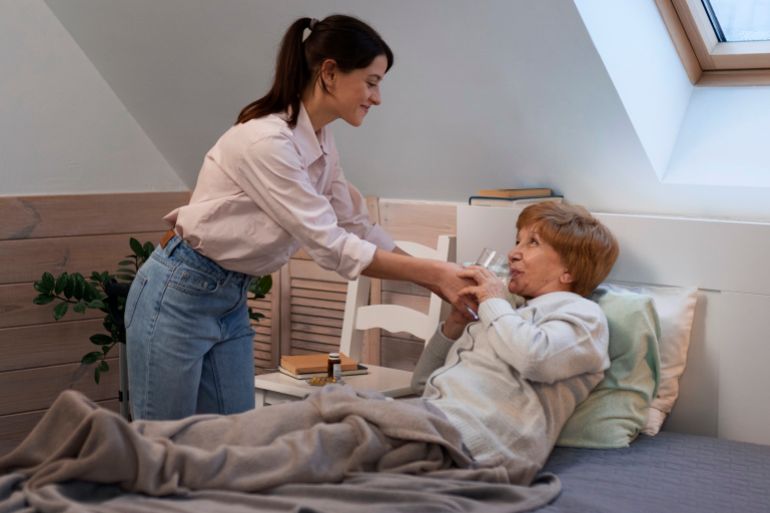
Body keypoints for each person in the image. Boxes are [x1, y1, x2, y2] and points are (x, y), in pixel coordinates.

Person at [125, 15, 471, 421]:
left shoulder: (321, 139)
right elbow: (330, 244)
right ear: (330, 73)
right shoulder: (266, 141)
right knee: (160, 445)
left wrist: (439, 279)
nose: (377, 98)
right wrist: (436, 274)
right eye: (371, 82)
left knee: (234, 441)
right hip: (179, 291)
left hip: (230, 295)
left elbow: (357, 225)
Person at [412, 200, 620, 483]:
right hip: (432, 420)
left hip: (477, 441)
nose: (513, 254)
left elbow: (534, 358)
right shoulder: (505, 315)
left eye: (532, 243)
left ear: (569, 271)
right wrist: (456, 323)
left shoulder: (583, 314)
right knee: (349, 412)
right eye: (517, 241)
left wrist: (493, 300)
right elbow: (420, 385)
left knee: (352, 429)